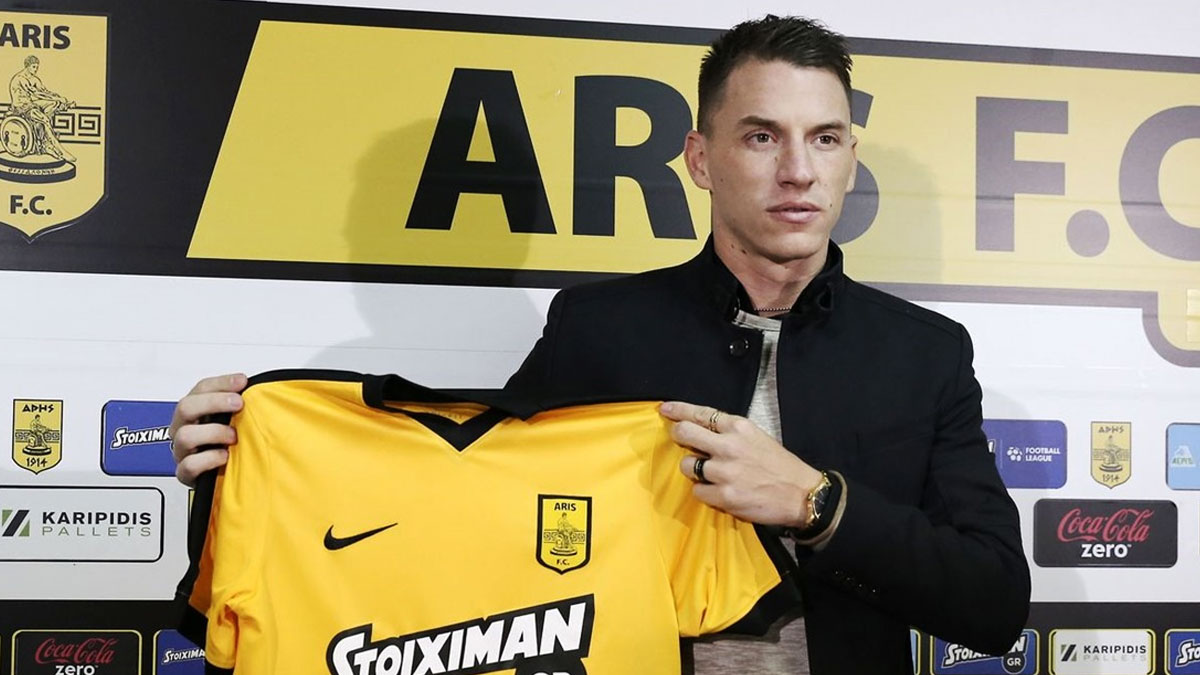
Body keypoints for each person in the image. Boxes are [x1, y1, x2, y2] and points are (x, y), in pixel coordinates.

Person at [170, 15, 1029, 674]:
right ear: (701, 159)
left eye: (825, 138)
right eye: (762, 136)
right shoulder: (599, 327)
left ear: (849, 158)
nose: (798, 170)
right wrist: (247, 460)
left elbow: (994, 603)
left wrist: (817, 503)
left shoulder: (926, 353)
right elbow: (462, 497)